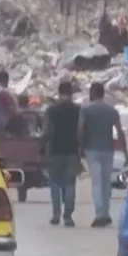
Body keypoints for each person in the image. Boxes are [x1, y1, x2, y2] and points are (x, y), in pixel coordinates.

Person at [78, 82, 128, 227]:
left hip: (92, 149)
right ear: (103, 94)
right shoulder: (112, 110)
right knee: (106, 182)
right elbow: (119, 132)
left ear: (92, 94)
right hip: (108, 149)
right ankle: (105, 212)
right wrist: (125, 152)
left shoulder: (86, 110)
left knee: (97, 182)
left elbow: (80, 129)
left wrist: (80, 147)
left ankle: (100, 214)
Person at [41, 80, 81, 226]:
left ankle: (56, 214)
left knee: (55, 183)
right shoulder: (77, 110)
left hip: (55, 150)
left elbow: (46, 131)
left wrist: (41, 146)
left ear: (59, 92)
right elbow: (81, 131)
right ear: (71, 93)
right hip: (72, 150)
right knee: (70, 183)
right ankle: (68, 216)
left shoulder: (51, 110)